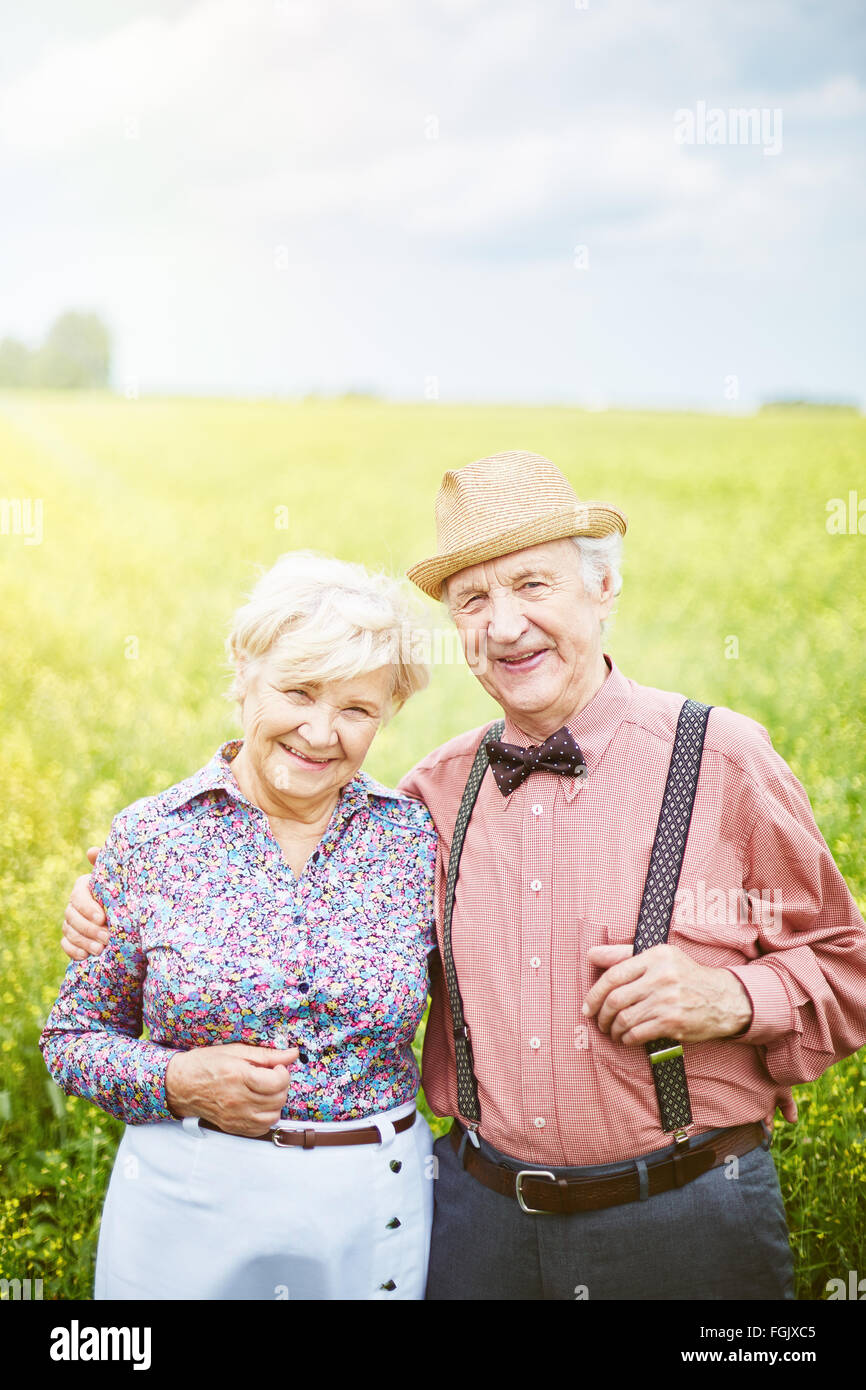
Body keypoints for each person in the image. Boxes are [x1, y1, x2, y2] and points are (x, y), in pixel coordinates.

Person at [63, 452, 866, 1302]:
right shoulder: (430, 800)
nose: (507, 625)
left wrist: (733, 1001)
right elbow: (282, 855)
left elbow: (845, 961)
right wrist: (113, 897)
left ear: (603, 589)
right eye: (474, 601)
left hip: (686, 1217)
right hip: (478, 1231)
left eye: (534, 585)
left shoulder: (725, 759)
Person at [42, 551, 437, 1301]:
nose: (321, 733)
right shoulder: (153, 836)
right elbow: (70, 1040)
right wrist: (177, 1079)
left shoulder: (414, 839)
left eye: (357, 710)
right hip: (185, 1211)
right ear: (244, 672)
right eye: (298, 692)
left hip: (373, 1215)